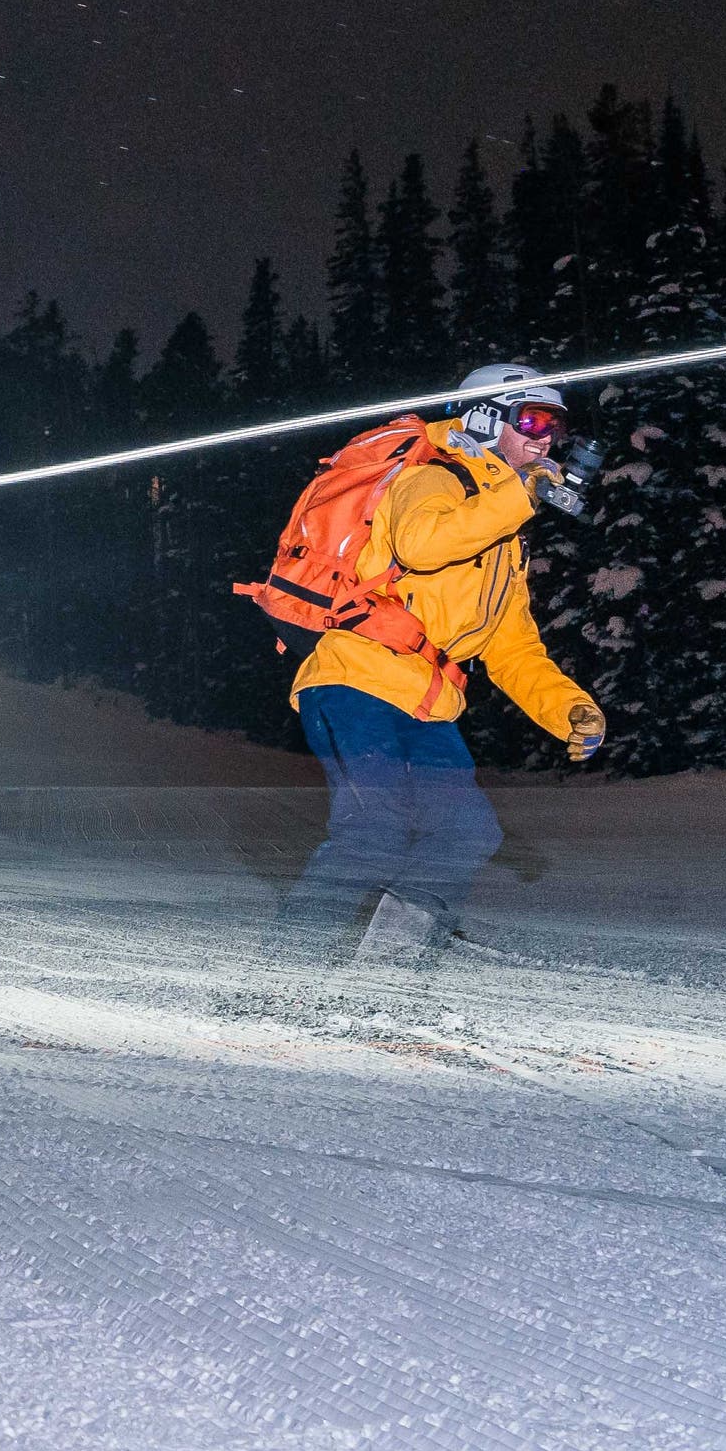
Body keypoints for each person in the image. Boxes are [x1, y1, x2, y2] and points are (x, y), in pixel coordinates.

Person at [240, 363, 606, 1011]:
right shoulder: (435, 477)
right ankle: (276, 986)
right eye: (534, 421)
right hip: (357, 676)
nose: (548, 439)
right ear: (485, 418)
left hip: (424, 699)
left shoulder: (504, 540)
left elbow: (512, 646)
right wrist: (520, 496)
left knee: (467, 831)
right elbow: (423, 542)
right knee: (374, 826)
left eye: (558, 426)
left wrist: (568, 709)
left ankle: (390, 966)